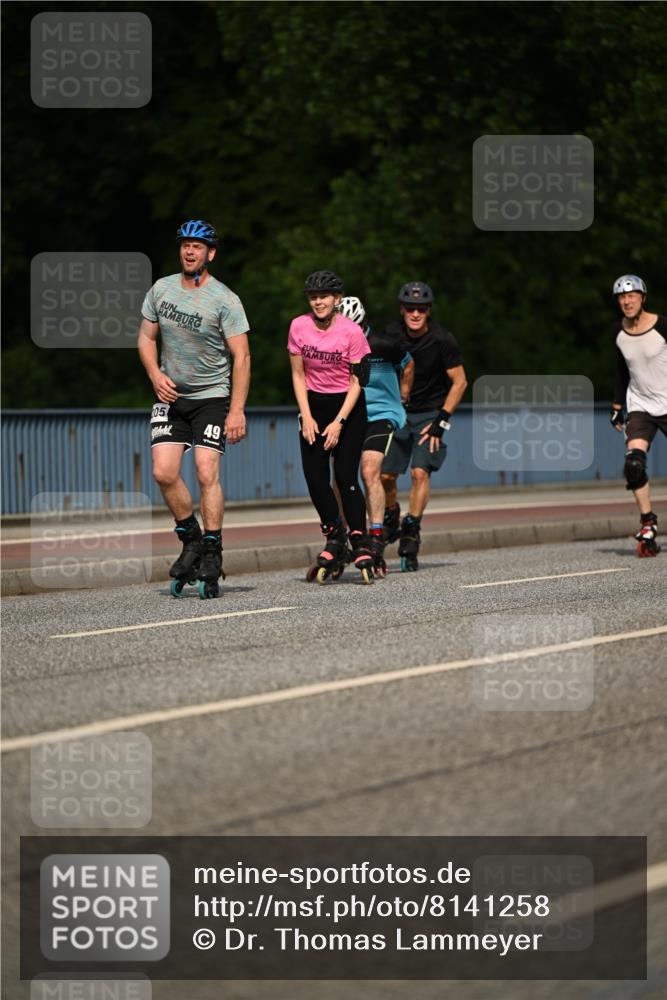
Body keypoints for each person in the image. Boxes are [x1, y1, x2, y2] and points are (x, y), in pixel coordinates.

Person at [138, 219, 251, 598]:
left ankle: (213, 550)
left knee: (206, 471)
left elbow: (242, 357)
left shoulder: (225, 299)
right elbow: (145, 336)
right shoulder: (161, 289)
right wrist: (155, 374)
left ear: (210, 253)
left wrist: (236, 410)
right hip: (170, 396)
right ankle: (191, 539)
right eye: (185, 245)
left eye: (198, 246)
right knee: (163, 473)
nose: (190, 251)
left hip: (212, 398)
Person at [288, 271, 375, 584]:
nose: (318, 302)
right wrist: (307, 415)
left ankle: (360, 540)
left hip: (348, 408)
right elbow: (298, 375)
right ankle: (334, 535)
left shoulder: (352, 332)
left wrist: (339, 422)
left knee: (345, 476)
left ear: (337, 299)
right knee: (314, 478)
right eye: (313, 297)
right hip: (314, 405)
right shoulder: (298, 326)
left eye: (324, 296)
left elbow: (357, 382)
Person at [381, 281, 468, 571]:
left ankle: (411, 529)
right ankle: (391, 512)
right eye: (410, 308)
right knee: (385, 476)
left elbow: (460, 382)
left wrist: (441, 421)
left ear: (428, 311)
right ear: (402, 309)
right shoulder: (390, 336)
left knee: (420, 472)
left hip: (430, 414)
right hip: (398, 412)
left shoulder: (443, 340)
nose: (415, 314)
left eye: (421, 309)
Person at [338, 295, 414, 576]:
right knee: (341, 477)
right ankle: (344, 537)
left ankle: (377, 538)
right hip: (350, 416)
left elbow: (408, 363)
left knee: (370, 471)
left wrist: (404, 393)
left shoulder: (384, 344)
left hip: (382, 415)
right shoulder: (335, 347)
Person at [609, 274, 667, 557]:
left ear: (643, 297)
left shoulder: (663, 326)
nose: (626, 301)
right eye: (621, 297)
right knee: (633, 464)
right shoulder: (618, 332)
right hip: (641, 406)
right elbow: (622, 370)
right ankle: (648, 523)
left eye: (631, 296)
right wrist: (619, 406)